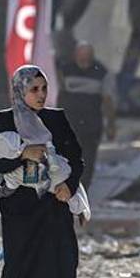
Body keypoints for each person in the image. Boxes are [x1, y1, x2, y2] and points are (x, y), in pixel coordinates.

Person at [0, 65, 83, 278]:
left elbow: (77, 158)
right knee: (22, 268)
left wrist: (70, 185)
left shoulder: (56, 118)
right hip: (20, 207)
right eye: (34, 89)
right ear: (20, 90)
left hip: (53, 202)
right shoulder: (4, 120)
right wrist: (22, 155)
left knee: (61, 264)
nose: (40, 95)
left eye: (44, 89)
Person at [58, 41, 116, 188]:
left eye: (87, 56)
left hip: (92, 123)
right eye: (81, 55)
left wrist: (111, 124)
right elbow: (59, 95)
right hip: (70, 123)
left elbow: (108, 100)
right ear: (75, 55)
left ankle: (82, 190)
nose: (83, 59)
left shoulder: (101, 72)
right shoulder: (65, 70)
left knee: (88, 160)